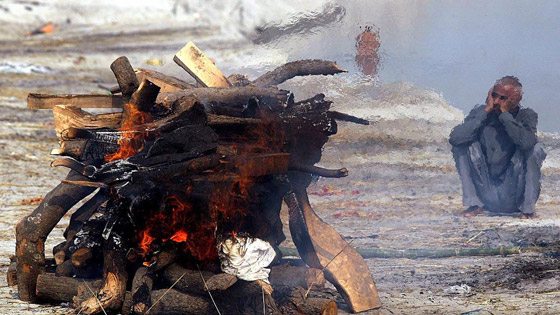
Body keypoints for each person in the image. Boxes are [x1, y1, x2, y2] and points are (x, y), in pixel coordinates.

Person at [449, 76, 546, 219]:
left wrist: (505, 115)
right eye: (494, 95)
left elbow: (526, 143)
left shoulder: (527, 115)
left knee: (535, 149)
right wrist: (485, 113)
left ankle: (528, 210)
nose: (496, 101)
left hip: (512, 192)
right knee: (463, 144)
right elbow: (455, 139)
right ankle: (474, 205)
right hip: (486, 192)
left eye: (503, 98)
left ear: (516, 100)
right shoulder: (481, 112)